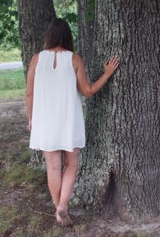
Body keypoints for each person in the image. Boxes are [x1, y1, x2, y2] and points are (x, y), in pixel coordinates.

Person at [26, 18, 120, 226]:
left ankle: (57, 206)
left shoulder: (36, 59)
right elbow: (88, 91)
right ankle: (62, 207)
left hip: (45, 121)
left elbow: (30, 95)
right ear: (68, 36)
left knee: (52, 167)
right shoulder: (74, 59)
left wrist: (31, 118)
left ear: (48, 36)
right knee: (71, 164)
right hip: (69, 119)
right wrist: (107, 74)